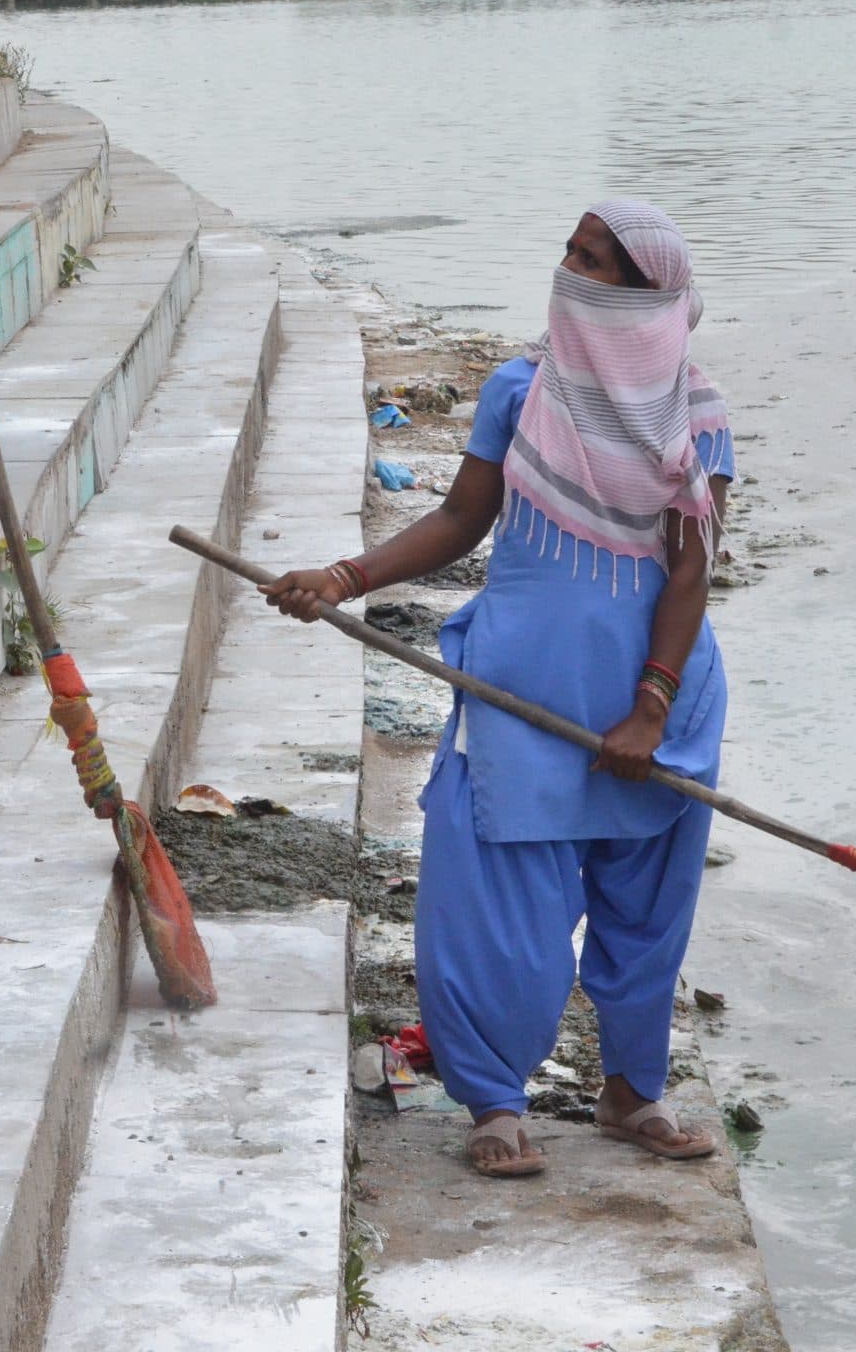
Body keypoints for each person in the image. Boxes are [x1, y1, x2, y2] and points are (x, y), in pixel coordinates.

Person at [263, 200, 735, 1177]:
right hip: (522, 693)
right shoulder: (519, 391)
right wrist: (344, 577)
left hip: (657, 706)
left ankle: (629, 1093)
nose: (566, 266)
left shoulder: (696, 418)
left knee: (644, 917)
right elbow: (459, 516)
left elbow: (689, 573)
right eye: (565, 246)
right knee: (495, 908)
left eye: (592, 257)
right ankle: (493, 1099)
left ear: (647, 294)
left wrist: (648, 708)